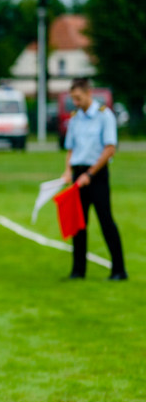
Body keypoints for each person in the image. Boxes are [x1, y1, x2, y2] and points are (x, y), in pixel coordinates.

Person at [62, 77, 127, 280]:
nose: (76, 102)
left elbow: (110, 149)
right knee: (78, 225)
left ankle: (119, 270)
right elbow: (71, 149)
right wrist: (67, 171)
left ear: (89, 93)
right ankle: (78, 270)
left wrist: (89, 174)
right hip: (78, 174)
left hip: (96, 175)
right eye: (73, 98)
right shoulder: (75, 118)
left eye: (79, 98)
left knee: (106, 221)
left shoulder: (104, 116)